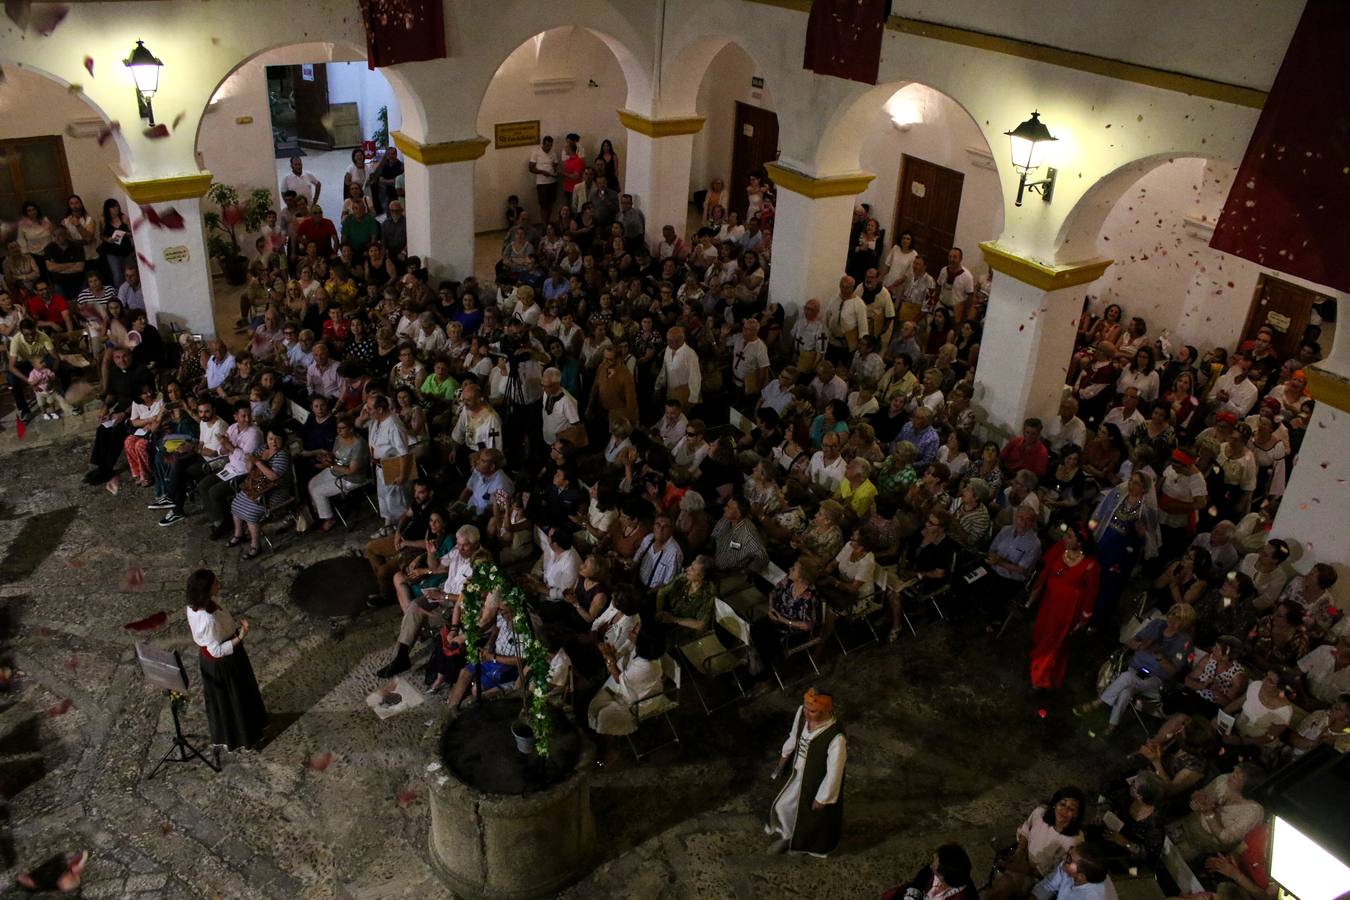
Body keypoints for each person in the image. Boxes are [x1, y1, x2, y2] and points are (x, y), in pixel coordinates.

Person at [1078, 604, 1196, 734]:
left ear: (1185, 623)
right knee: (1125, 692)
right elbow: (1130, 642)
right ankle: (1112, 727)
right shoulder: (1157, 624)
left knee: (1126, 677)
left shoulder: (1185, 641)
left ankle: (1098, 702)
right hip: (1136, 667)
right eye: (1173, 614)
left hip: (1155, 678)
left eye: (1178, 619)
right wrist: (1141, 645)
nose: (1173, 619)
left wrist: (1161, 658)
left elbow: (1174, 671)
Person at [185, 569, 268, 751]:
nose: (219, 584)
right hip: (224, 663)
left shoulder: (196, 605)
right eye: (215, 583)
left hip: (224, 656)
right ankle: (243, 736)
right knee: (235, 701)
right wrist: (240, 636)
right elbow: (216, 650)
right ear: (206, 589)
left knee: (237, 698)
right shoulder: (208, 620)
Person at [766, 688, 846, 857]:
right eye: (806, 709)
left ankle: (803, 844)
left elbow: (835, 771)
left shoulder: (835, 737)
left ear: (826, 710)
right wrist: (782, 762)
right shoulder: (802, 715)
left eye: (813, 711)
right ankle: (788, 836)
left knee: (812, 818)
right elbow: (793, 737)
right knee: (783, 806)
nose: (808, 714)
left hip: (814, 782)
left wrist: (822, 797)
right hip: (796, 774)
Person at [1029, 526, 1101, 690]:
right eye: (1066, 534)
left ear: (1081, 543)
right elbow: (1045, 568)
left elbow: (1091, 595)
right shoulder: (1060, 548)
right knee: (1042, 633)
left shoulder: (1090, 566)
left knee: (1053, 640)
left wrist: (1084, 618)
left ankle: (1040, 677)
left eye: (1069, 536)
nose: (1065, 538)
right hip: (1049, 603)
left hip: (1066, 609)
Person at [985, 788, 1086, 900]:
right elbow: (1026, 830)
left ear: (1077, 814)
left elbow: (1058, 874)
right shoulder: (1040, 813)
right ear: (1054, 804)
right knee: (997, 892)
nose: (1064, 810)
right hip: (1024, 859)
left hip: (1040, 878)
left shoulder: (1074, 840)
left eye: (1071, 809)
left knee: (1005, 886)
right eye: (1062, 804)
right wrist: (1019, 853)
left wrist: (1024, 869)